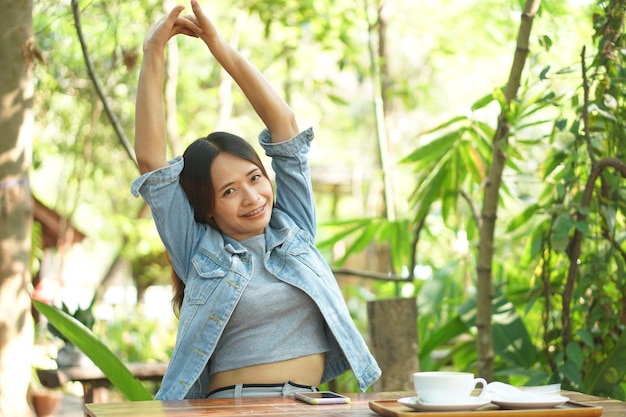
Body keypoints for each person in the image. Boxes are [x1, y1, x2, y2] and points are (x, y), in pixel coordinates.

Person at [131, 0, 381, 401]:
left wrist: (219, 45)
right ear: (207, 207)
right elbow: (151, 162)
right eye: (229, 191)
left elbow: (285, 126)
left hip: (313, 403)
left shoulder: (292, 228)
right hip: (235, 406)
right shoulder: (198, 250)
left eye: (254, 178)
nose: (252, 197)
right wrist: (153, 51)